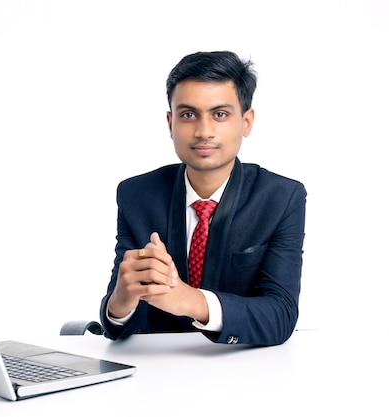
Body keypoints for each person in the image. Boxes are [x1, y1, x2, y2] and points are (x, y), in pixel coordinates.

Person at [99, 51, 306, 346]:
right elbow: (121, 326)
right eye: (188, 115)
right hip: (155, 373)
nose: (203, 131)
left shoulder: (281, 198)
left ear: (246, 122)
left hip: (246, 373)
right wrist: (121, 302)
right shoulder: (137, 195)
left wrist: (191, 301)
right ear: (170, 123)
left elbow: (280, 314)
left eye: (220, 114)